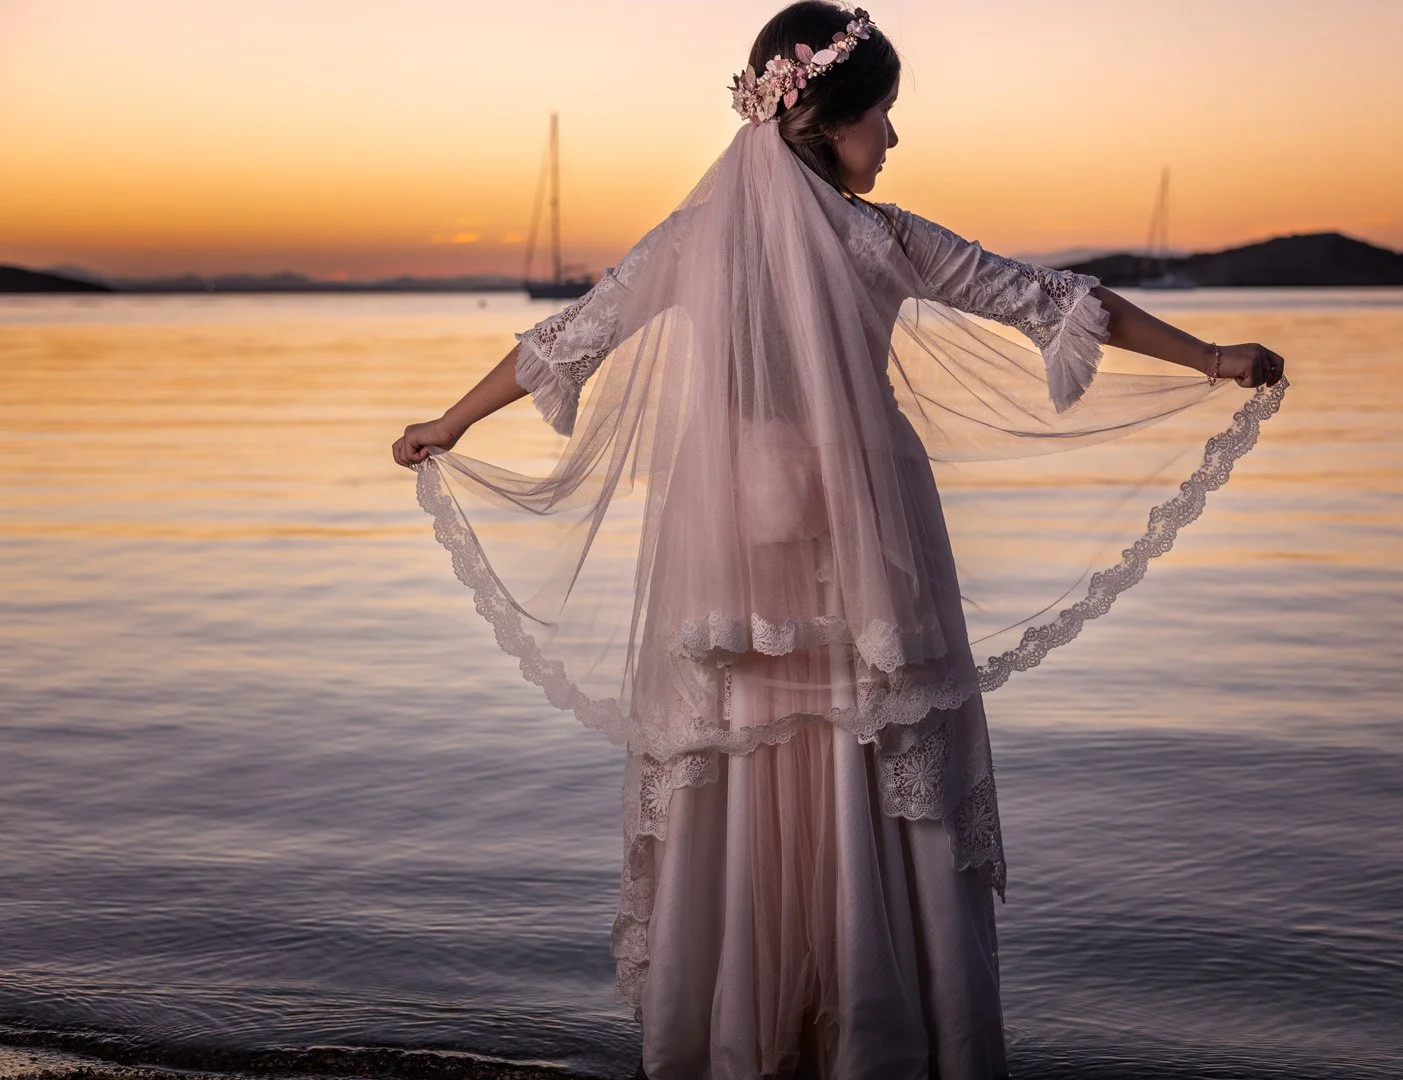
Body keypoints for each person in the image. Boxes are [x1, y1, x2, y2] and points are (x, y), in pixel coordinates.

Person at [393, 3, 1285, 1077]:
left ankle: (744, 1027)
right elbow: (1057, 299)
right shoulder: (881, 237)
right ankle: (880, 1030)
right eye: (882, 118)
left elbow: (564, 339)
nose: (893, 142)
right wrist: (1211, 356)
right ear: (824, 116)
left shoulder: (694, 244)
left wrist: (450, 421)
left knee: (743, 755)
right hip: (865, 532)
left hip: (733, 538)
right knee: (876, 751)